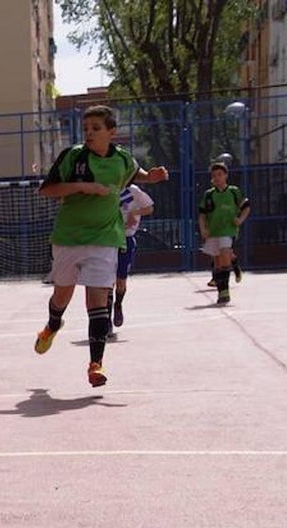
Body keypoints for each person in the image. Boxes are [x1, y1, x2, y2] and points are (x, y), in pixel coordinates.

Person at [33, 104, 169, 387]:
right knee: (62, 296)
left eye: (96, 129)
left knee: (97, 301)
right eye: (86, 129)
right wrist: (82, 187)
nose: (90, 134)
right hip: (69, 237)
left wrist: (151, 177)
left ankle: (96, 364)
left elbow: (136, 173)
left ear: (111, 133)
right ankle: (53, 325)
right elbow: (46, 190)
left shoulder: (122, 160)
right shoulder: (73, 157)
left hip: (105, 239)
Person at [199, 162, 250, 305]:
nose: (217, 178)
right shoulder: (209, 195)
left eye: (220, 175)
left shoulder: (234, 192)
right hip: (213, 231)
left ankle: (225, 292)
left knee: (224, 256)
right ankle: (222, 287)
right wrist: (203, 229)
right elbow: (202, 214)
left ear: (226, 175)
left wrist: (240, 219)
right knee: (217, 261)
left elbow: (246, 207)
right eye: (214, 175)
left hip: (229, 230)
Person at [109, 183, 155, 334]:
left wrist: (134, 212)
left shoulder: (132, 190)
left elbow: (149, 208)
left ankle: (118, 304)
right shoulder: (106, 187)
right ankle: (105, 320)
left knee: (120, 281)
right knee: (106, 282)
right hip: (106, 240)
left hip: (126, 239)